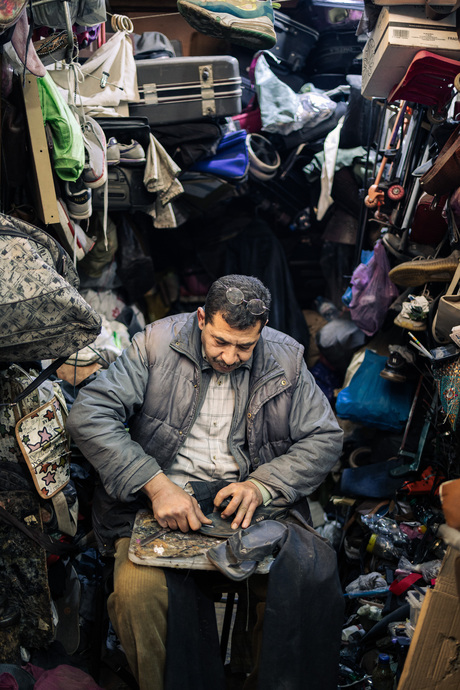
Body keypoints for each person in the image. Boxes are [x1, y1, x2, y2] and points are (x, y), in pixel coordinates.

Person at [66, 274, 344, 690]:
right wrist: (155, 484)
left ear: (261, 332)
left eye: (244, 346)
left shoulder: (286, 359)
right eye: (220, 342)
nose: (231, 357)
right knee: (137, 593)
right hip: (155, 504)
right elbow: (89, 416)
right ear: (201, 318)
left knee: (304, 583)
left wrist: (262, 485)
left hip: (249, 506)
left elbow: (325, 437)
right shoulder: (155, 343)